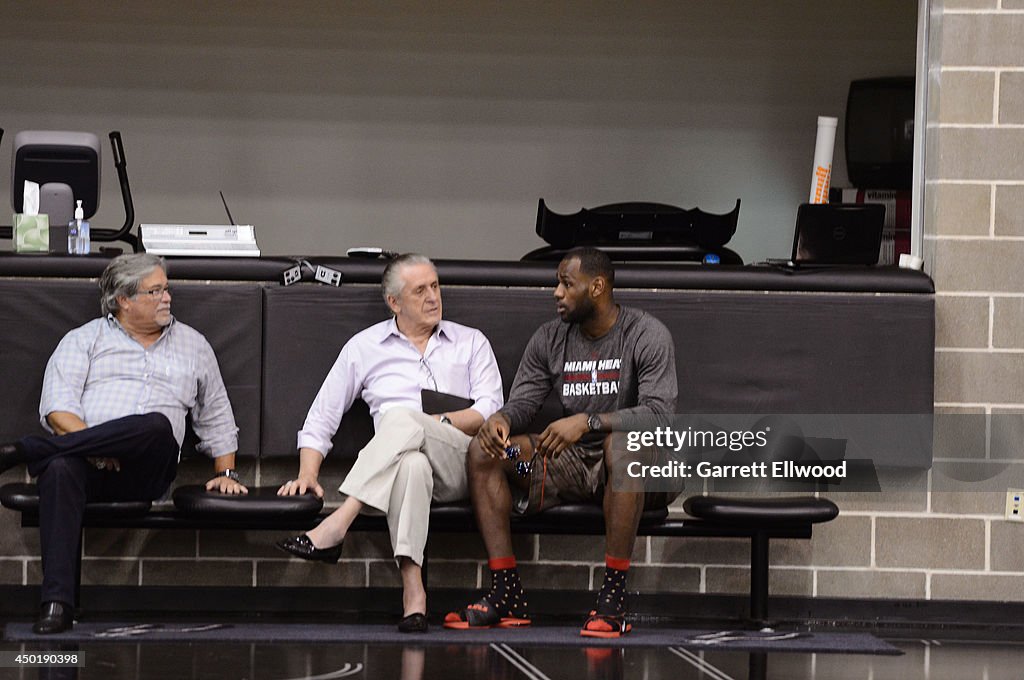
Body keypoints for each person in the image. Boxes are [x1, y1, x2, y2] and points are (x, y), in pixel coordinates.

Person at [0, 253, 246, 635]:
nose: (167, 298)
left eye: (166, 288)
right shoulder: (83, 340)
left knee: (156, 425)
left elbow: (217, 416)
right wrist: (95, 449)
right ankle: (57, 604)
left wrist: (225, 472)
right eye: (155, 291)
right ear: (123, 300)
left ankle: (30, 450)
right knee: (61, 469)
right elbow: (57, 410)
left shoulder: (194, 345)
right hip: (87, 465)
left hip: (149, 467)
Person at [444, 246, 678, 638]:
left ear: (598, 287)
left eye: (567, 284)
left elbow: (659, 414)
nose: (556, 292)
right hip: (567, 470)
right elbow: (523, 403)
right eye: (557, 283)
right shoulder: (550, 338)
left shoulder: (646, 334)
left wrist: (587, 422)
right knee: (490, 454)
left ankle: (613, 599)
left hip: (639, 474)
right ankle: (506, 594)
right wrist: (499, 420)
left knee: (622, 445)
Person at [276, 253, 503, 633]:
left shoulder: (470, 342)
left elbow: (490, 410)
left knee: (401, 420)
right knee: (411, 463)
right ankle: (414, 598)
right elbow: (321, 417)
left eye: (435, 286)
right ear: (394, 302)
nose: (433, 297)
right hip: (399, 471)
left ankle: (339, 521)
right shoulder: (365, 347)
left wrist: (429, 422)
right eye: (420, 291)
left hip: (464, 465)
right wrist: (307, 474)